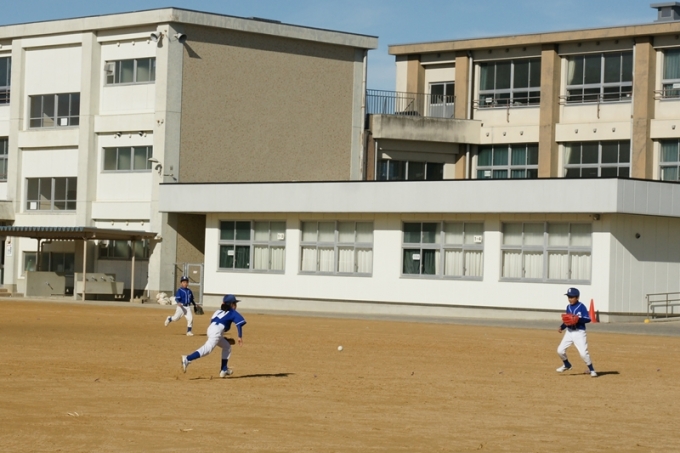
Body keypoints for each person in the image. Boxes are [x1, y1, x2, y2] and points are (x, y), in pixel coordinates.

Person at [181, 294, 246, 378]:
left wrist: (221, 338)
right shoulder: (232, 312)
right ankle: (187, 358)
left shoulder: (218, 311)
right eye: (235, 303)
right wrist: (240, 336)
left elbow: (214, 322)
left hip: (211, 329)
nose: (236, 305)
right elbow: (239, 324)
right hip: (216, 332)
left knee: (227, 346)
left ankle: (224, 369)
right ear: (231, 304)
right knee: (207, 349)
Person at [556, 287, 597, 377]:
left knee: (583, 353)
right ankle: (567, 364)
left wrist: (578, 319)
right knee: (560, 350)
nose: (570, 299)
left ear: (577, 297)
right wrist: (562, 327)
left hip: (579, 333)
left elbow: (588, 319)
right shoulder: (568, 307)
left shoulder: (581, 306)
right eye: (569, 297)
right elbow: (568, 321)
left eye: (572, 297)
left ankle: (592, 370)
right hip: (569, 332)